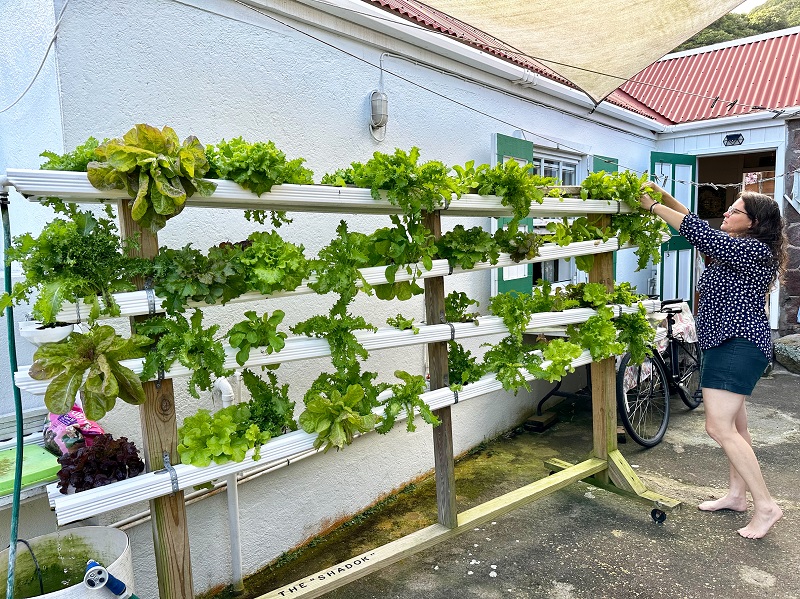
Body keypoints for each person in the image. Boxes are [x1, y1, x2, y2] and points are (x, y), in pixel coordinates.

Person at [639, 182, 787, 539]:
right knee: (736, 428)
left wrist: (652, 207)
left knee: (719, 428)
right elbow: (694, 223)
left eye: (734, 210)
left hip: (736, 345)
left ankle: (766, 506)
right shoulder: (739, 247)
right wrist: (663, 196)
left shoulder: (753, 250)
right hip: (729, 343)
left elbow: (699, 233)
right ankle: (737, 496)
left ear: (754, 222)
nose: (726, 213)